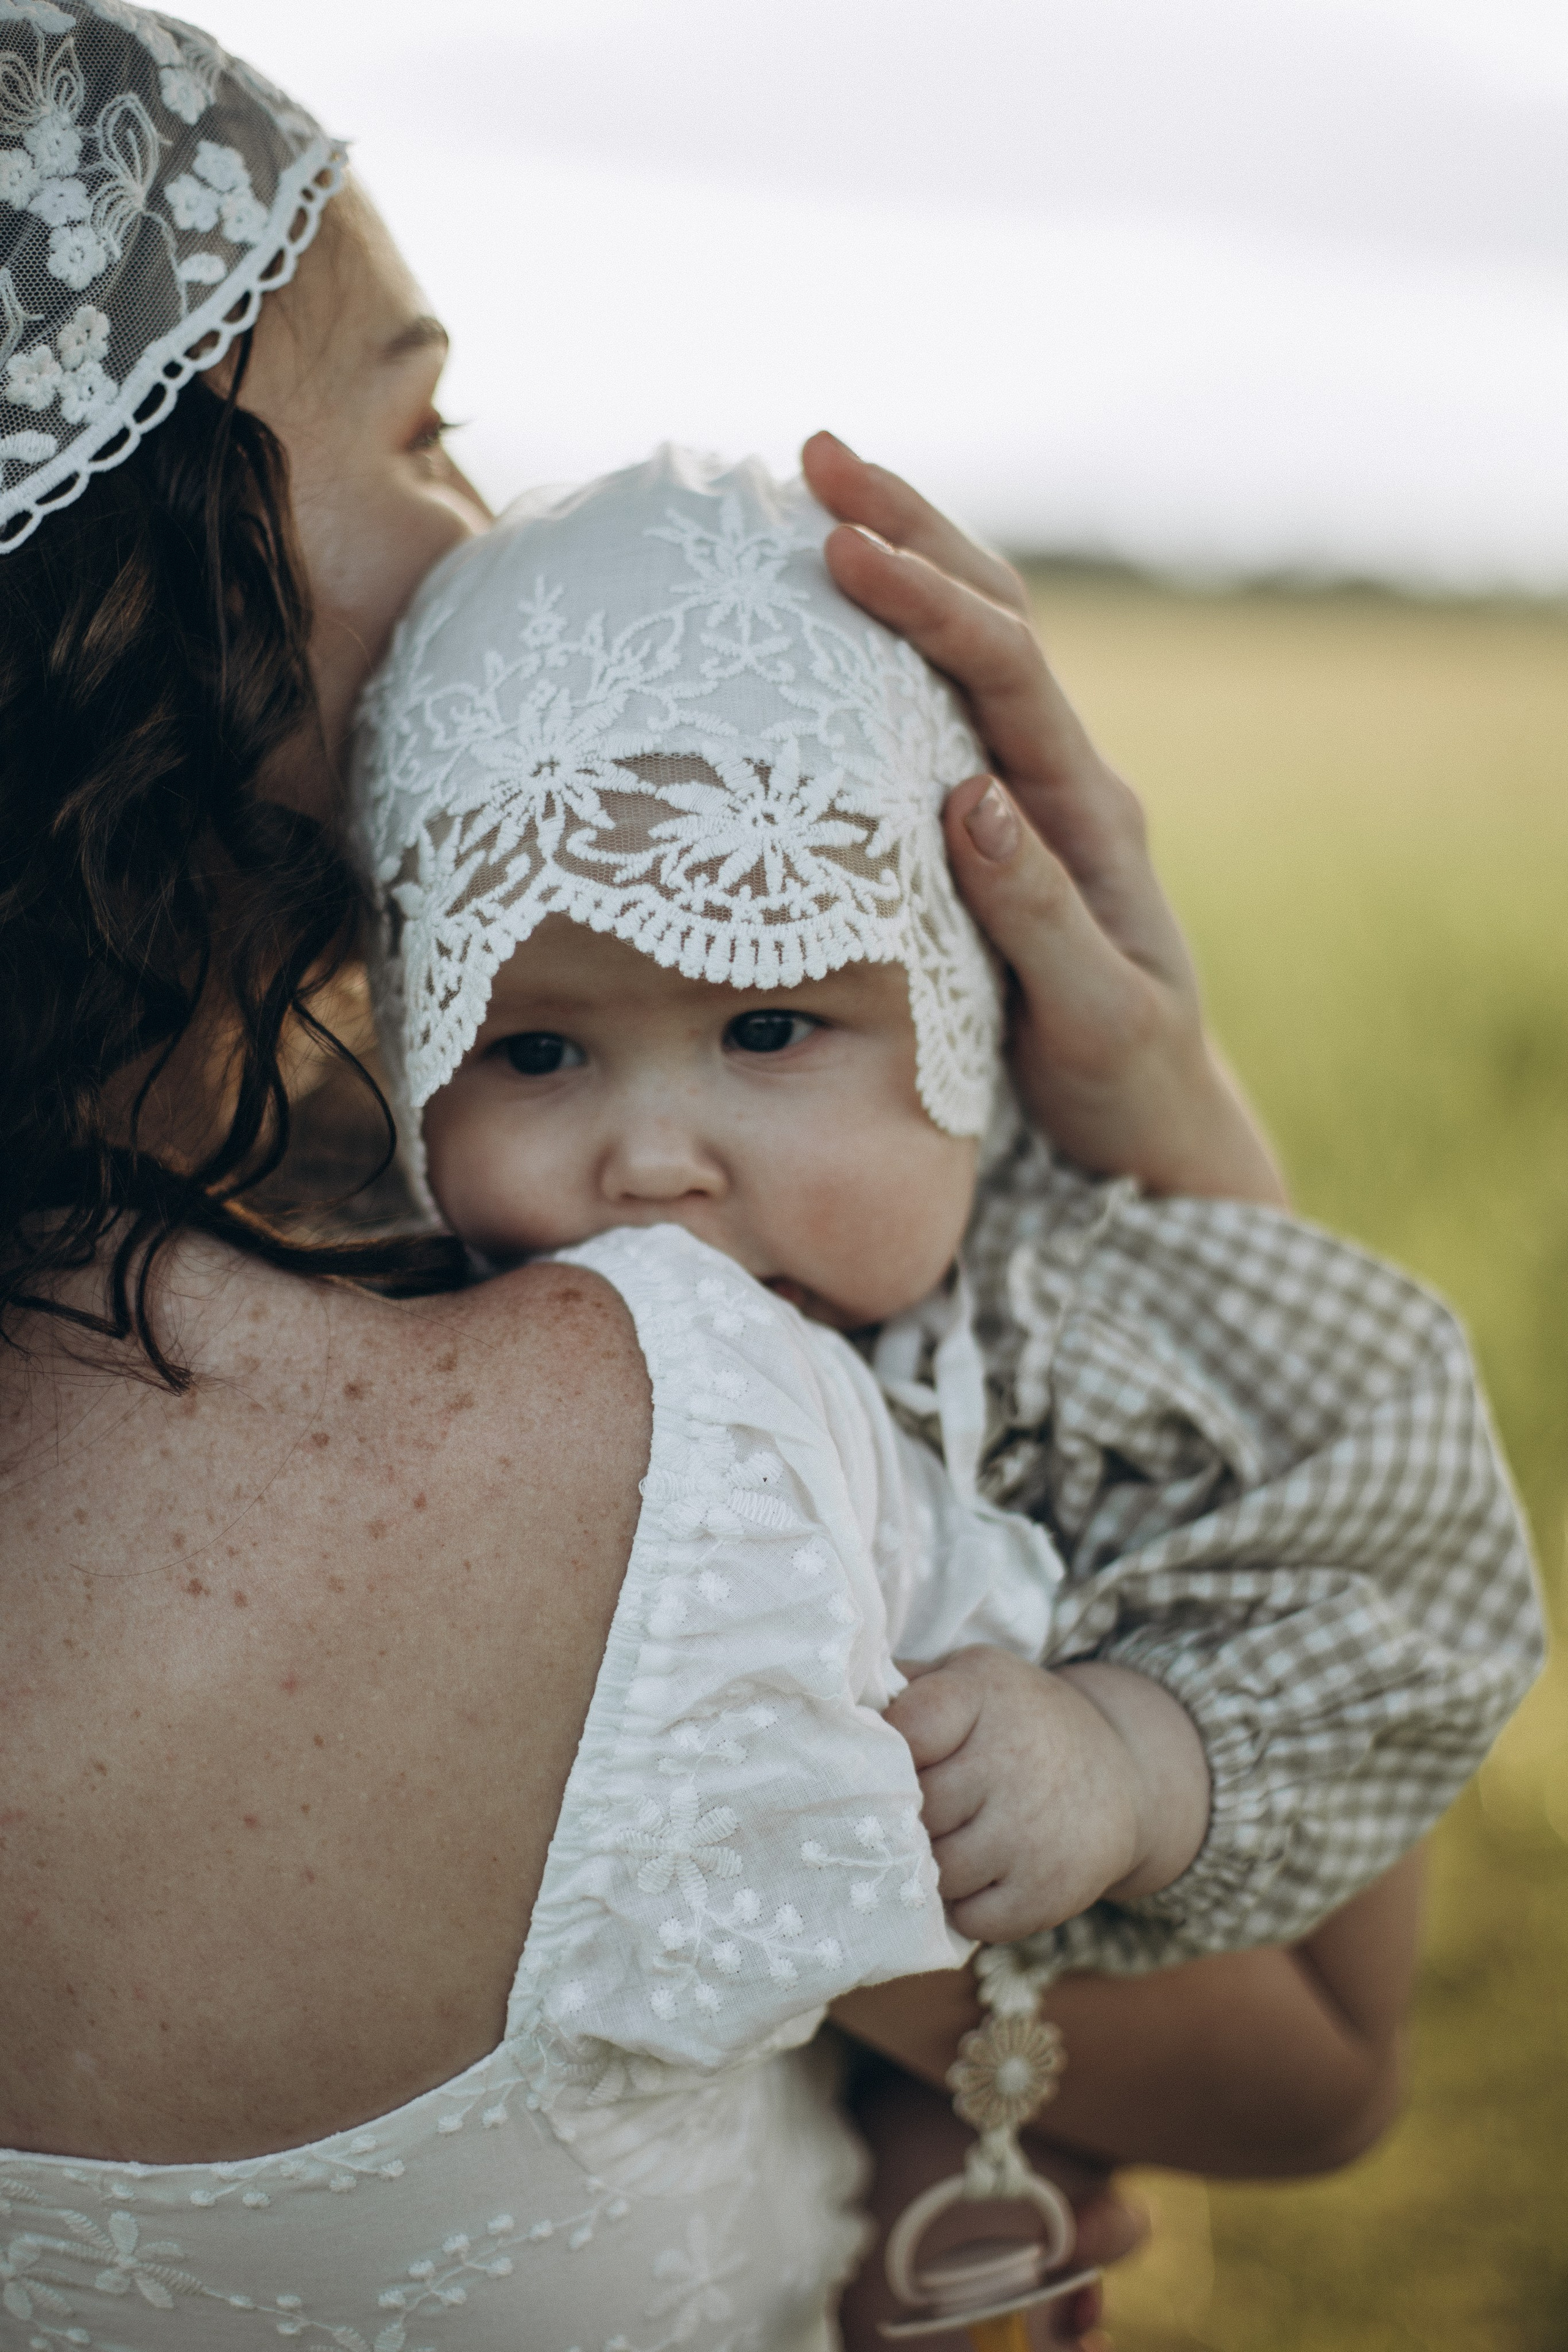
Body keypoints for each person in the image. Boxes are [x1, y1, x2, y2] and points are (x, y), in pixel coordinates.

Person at [0, 10, 1536, 2350]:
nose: (474, 540)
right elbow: (1319, 2063)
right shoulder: (688, 1455)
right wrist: (1157, 1101)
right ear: (139, 583)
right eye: (413, 427)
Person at [344, 446, 1540, 2334]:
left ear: (959, 1013)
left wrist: (1136, 1754)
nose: (654, 1155)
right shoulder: (429, 1357)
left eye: (767, 1026)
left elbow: (1391, 1571)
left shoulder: (1063, 1322)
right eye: (540, 1046)